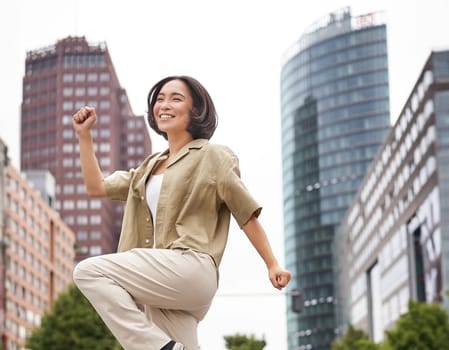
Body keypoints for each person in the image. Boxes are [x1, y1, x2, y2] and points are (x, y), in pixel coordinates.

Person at [71, 75, 291, 350]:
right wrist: (84, 136)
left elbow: (245, 213)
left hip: (191, 267)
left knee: (88, 272)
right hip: (163, 281)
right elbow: (97, 186)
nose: (164, 105)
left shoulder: (213, 156)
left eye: (175, 98)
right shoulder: (148, 168)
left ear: (195, 110)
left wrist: (272, 263)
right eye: (159, 99)